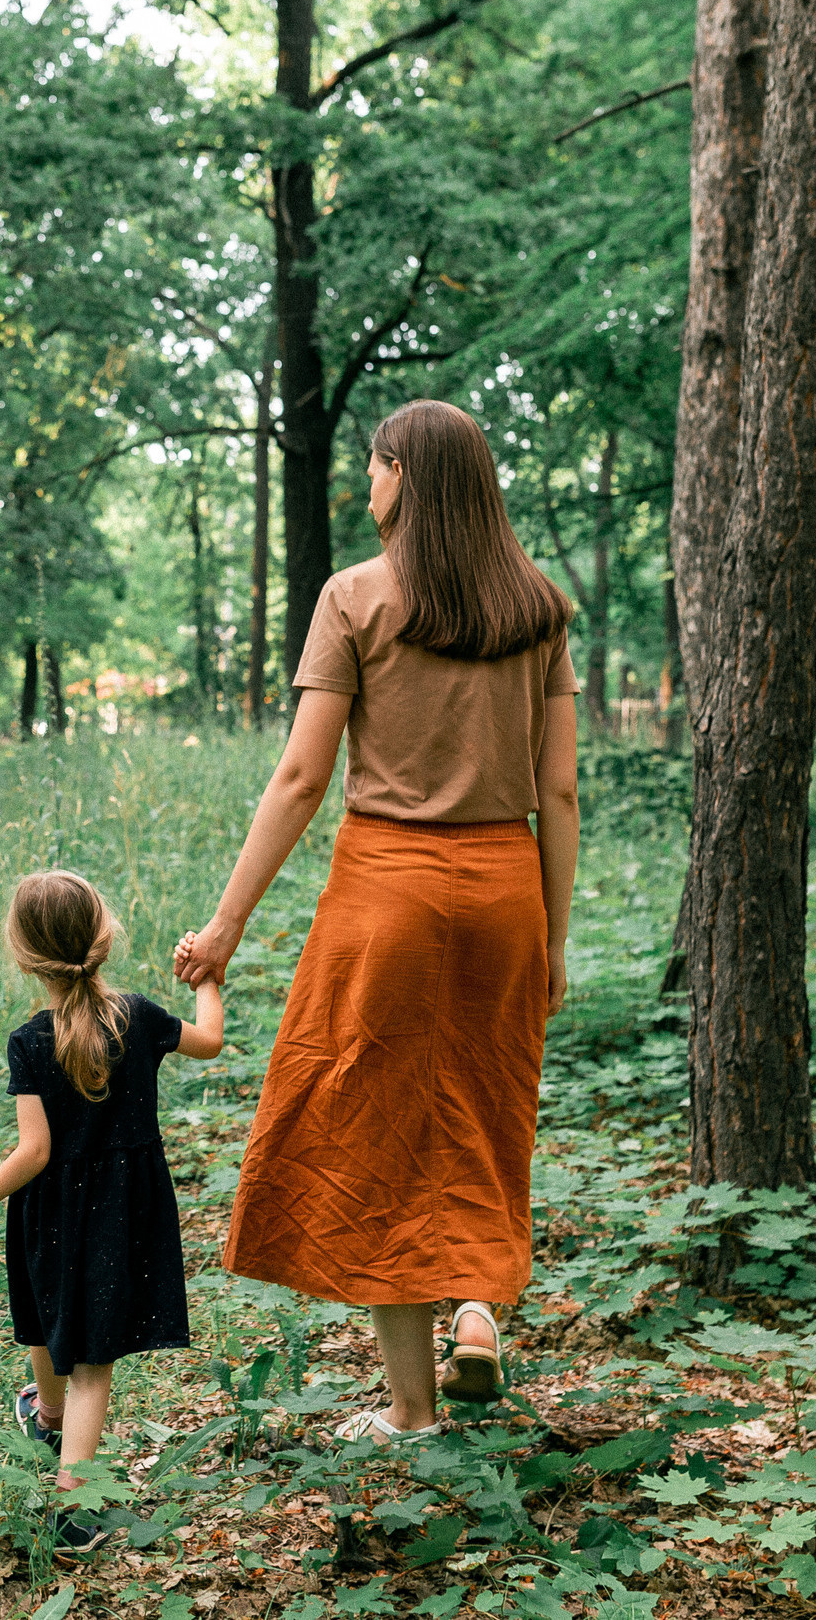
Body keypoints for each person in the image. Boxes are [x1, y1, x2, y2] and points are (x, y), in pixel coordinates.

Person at [175, 398, 579, 1444]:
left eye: (373, 465)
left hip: (385, 891)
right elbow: (561, 794)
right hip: (505, 897)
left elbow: (303, 775)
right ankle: (480, 1309)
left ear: (405, 475)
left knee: (383, 1137)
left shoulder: (354, 597)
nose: (365, 483)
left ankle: (410, 1409)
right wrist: (555, 941)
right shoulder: (537, 606)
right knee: (488, 1112)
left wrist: (224, 927)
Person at [0, 869, 226, 1555]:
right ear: (104, 936)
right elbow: (212, 1040)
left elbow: (35, 1150)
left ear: (23, 955)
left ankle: (59, 1460)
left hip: (49, 1211)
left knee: (50, 1319)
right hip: (122, 1212)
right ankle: (64, 1473)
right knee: (93, 1360)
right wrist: (206, 980)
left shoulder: (29, 1041)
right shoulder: (139, 1015)